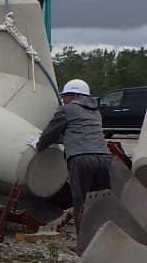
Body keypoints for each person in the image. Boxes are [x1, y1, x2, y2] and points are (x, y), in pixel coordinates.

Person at [34, 78, 113, 236]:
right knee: (101, 201)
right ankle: (103, 238)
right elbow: (78, 133)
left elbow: (50, 133)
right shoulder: (95, 112)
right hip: (104, 158)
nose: (63, 99)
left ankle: (82, 243)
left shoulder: (67, 110)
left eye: (65, 96)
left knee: (81, 201)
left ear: (74, 95)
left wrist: (39, 145)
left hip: (81, 159)